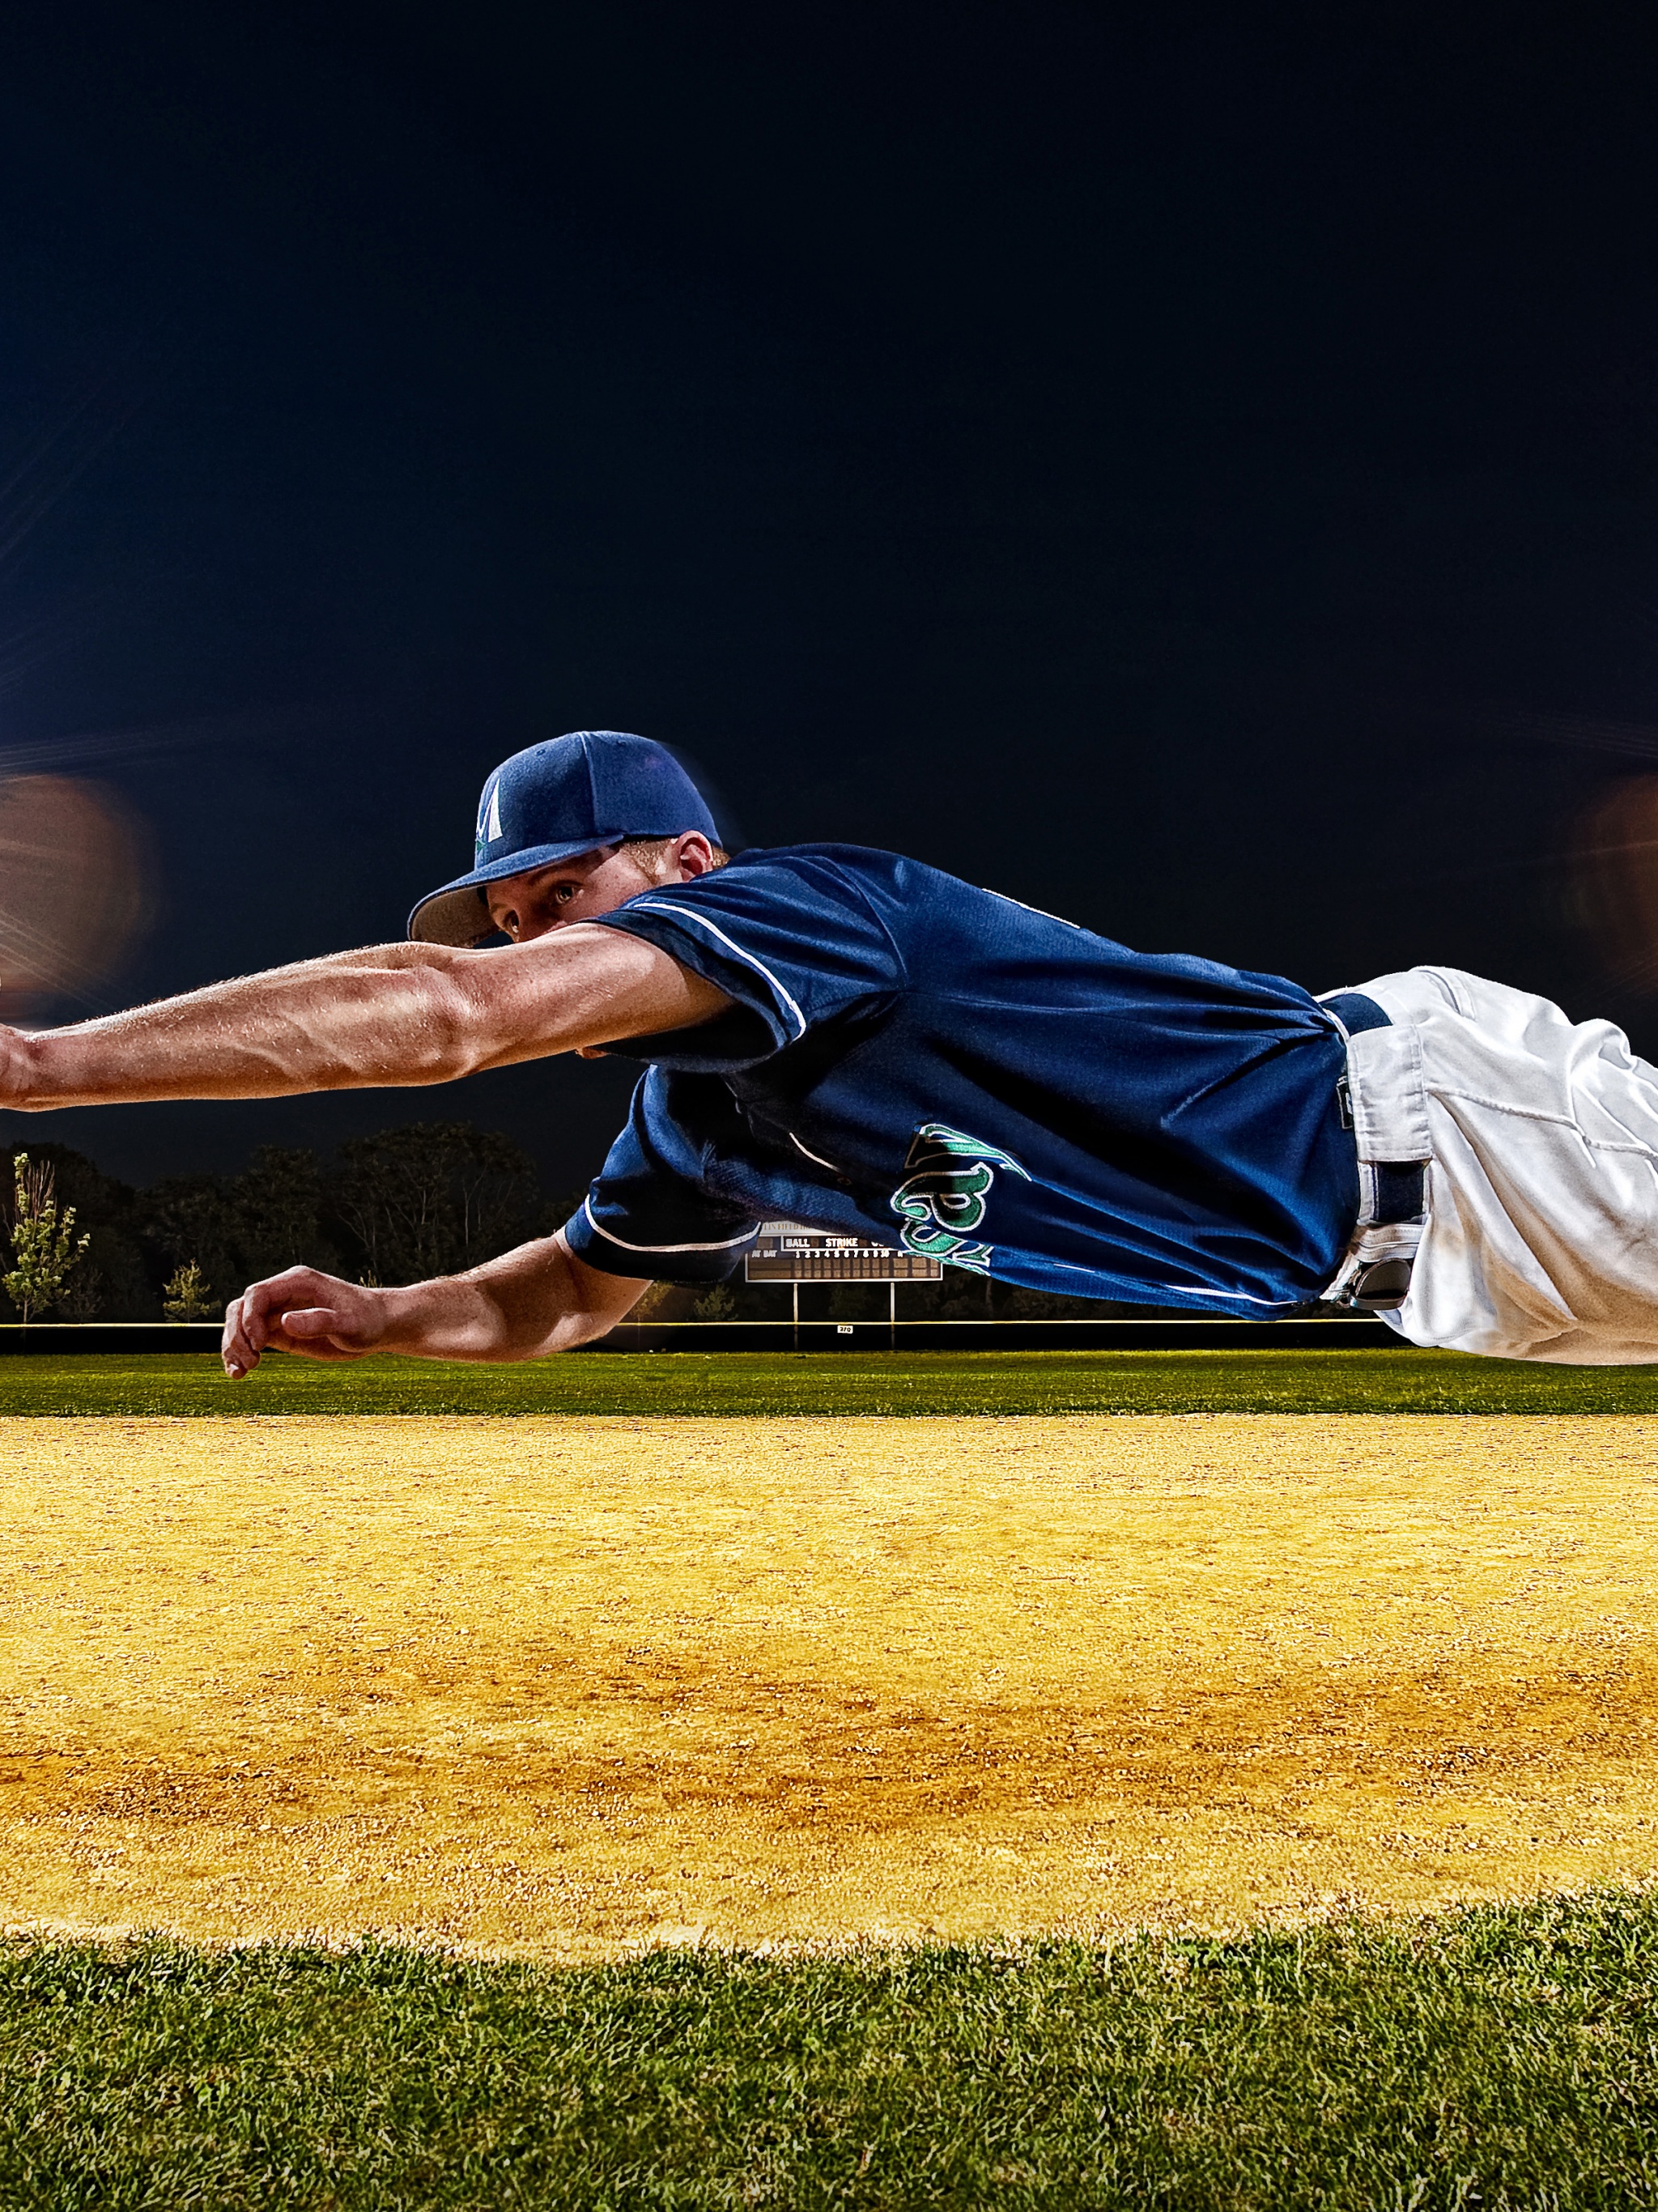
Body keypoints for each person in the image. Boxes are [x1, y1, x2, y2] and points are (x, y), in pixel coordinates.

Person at [2, 729, 1656, 1368]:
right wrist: (384, 1313)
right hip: (1454, 1286)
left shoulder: (817, 909)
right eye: (518, 920)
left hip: (1475, 1130)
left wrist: (42, 1069)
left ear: (687, 871)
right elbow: (569, 1288)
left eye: (569, 892)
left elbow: (442, 1019)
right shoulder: (700, 1120)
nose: (543, 943)